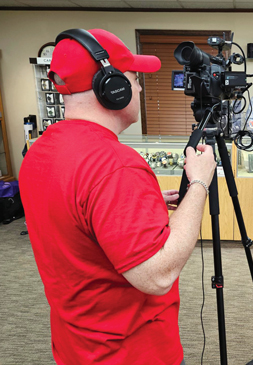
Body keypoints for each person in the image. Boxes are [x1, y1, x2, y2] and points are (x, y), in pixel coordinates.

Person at [19, 29, 216, 365]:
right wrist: (198, 184)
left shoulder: (39, 152)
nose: (139, 87)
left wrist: (143, 204)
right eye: (135, 78)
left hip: (75, 346)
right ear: (113, 87)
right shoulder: (115, 166)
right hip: (132, 354)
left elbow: (80, 222)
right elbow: (157, 275)